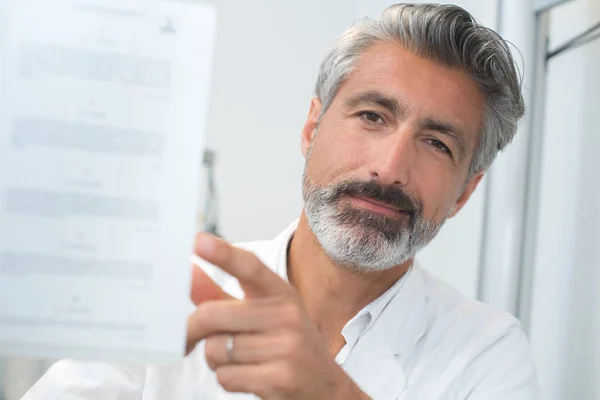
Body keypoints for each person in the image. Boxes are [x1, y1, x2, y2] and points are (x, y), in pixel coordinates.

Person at [23, 3, 538, 400]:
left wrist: (330, 393)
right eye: (372, 117)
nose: (391, 168)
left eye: (437, 144)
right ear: (312, 127)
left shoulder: (487, 351)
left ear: (465, 192)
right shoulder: (171, 291)